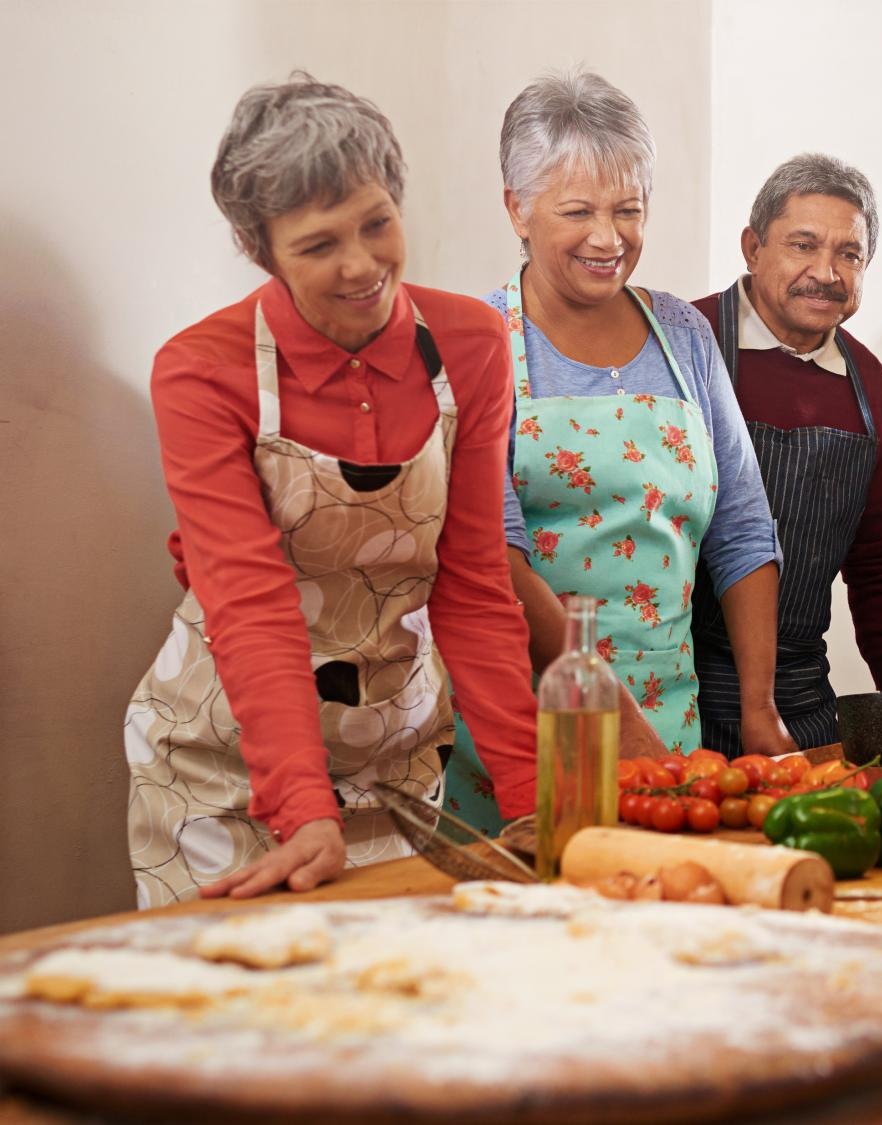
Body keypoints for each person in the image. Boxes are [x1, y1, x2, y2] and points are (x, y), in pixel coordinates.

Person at [125, 75, 538, 906]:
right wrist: (303, 808)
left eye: (378, 224)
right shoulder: (201, 371)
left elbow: (472, 586)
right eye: (317, 246)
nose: (362, 266)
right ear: (259, 248)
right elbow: (247, 599)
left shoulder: (472, 344)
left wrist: (537, 798)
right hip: (227, 765)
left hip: (394, 760)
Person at [442, 71, 793, 829]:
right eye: (579, 211)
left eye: (629, 210)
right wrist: (606, 709)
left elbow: (741, 529)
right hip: (523, 719)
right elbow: (489, 552)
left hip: (671, 721)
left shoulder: (685, 337)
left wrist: (760, 708)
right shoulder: (477, 343)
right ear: (517, 209)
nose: (610, 238)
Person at [690, 155, 882, 755]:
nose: (827, 272)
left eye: (850, 254)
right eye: (804, 245)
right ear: (752, 247)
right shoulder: (687, 340)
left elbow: (877, 563)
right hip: (675, 691)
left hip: (801, 701)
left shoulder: (868, 384)